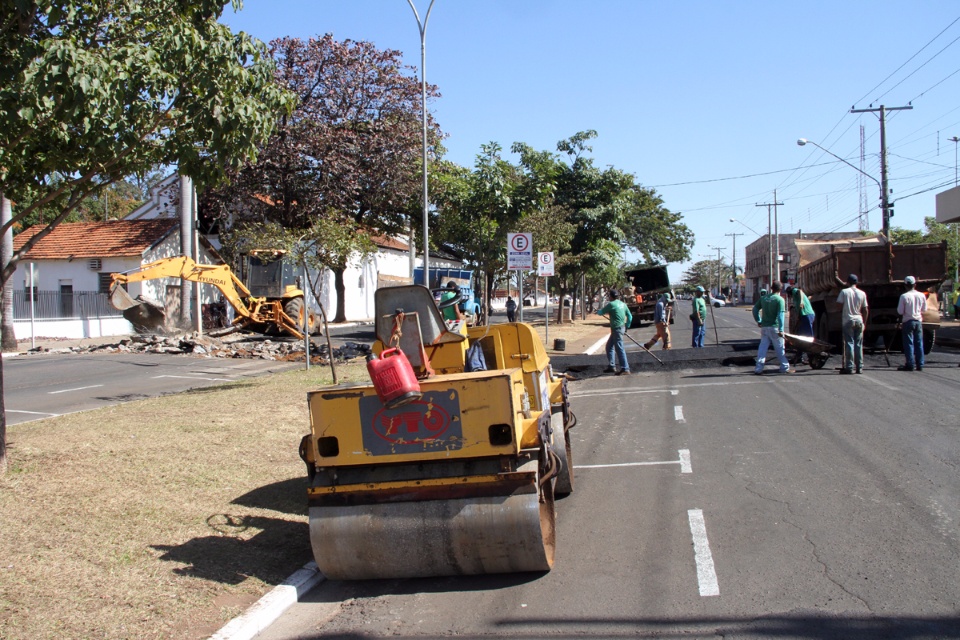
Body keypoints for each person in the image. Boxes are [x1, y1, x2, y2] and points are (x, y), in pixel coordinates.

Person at [752, 281, 793, 375]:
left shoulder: (764, 298)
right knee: (780, 348)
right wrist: (781, 329)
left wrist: (759, 320)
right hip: (775, 327)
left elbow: (755, 309)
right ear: (780, 289)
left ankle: (758, 368)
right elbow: (780, 315)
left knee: (762, 348)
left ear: (771, 288)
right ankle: (784, 367)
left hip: (765, 327)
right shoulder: (779, 300)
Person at [837, 273, 868, 375]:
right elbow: (865, 310)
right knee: (859, 344)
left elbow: (839, 306)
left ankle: (849, 367)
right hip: (859, 319)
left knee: (849, 343)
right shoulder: (862, 293)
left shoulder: (844, 292)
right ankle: (859, 367)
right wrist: (864, 322)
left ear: (848, 282)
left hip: (848, 320)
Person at [596, 289, 632, 375]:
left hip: (616, 329)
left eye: (609, 296)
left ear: (611, 296)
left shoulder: (611, 304)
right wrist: (627, 326)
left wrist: (597, 311)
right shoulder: (623, 304)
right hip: (621, 327)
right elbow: (630, 316)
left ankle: (625, 368)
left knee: (619, 348)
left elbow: (601, 312)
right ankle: (612, 366)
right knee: (609, 346)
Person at [897, 275, 927, 372]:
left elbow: (900, 311)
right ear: (915, 284)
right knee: (919, 343)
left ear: (905, 285)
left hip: (908, 321)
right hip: (918, 321)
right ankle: (920, 364)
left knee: (909, 343)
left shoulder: (904, 296)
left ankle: (910, 364)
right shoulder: (921, 295)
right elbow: (924, 309)